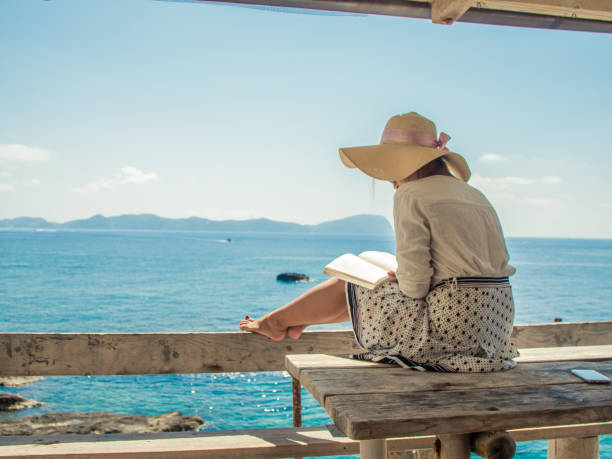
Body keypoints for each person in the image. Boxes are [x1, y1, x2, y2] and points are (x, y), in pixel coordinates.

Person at [240, 112, 519, 372]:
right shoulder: (475, 195)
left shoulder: (411, 194)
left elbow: (416, 287)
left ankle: (276, 321)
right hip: (494, 329)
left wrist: (404, 279)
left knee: (353, 282)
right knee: (372, 261)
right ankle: (293, 319)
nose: (393, 182)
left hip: (450, 332)